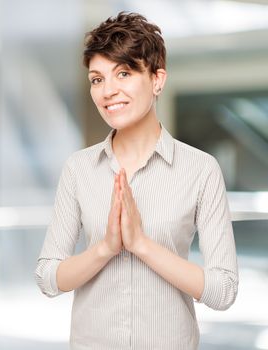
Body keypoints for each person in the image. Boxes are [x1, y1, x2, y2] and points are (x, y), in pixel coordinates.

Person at [35, 11, 238, 350]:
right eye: (97, 79)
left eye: (124, 73)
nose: (107, 91)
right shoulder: (78, 169)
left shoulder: (200, 170)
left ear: (157, 79)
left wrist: (141, 244)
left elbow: (223, 291)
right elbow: (47, 277)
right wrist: (104, 249)